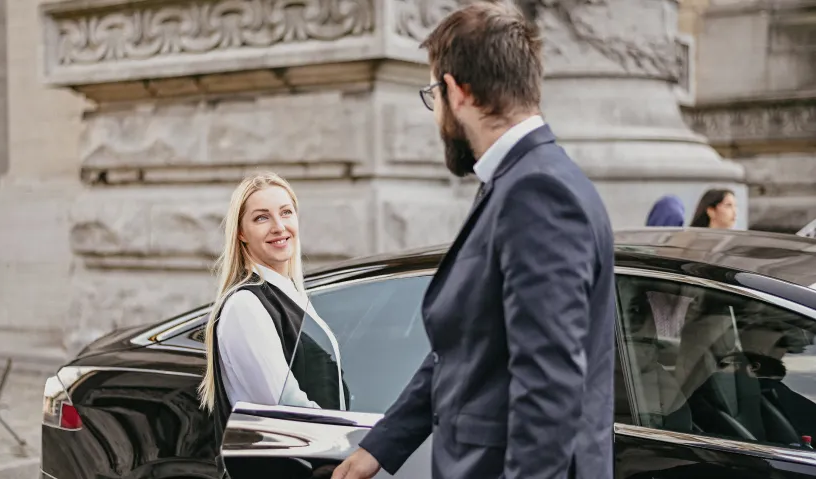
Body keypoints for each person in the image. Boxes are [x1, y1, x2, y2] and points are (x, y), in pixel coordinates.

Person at [332, 2, 616, 479]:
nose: (436, 112)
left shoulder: (536, 192)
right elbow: (467, 348)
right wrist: (380, 448)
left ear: (455, 91)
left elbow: (549, 389)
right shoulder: (519, 180)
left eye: (433, 95)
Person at [197, 172, 345, 478]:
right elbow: (286, 406)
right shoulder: (245, 305)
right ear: (241, 232)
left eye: (286, 212)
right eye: (262, 218)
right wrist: (352, 446)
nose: (279, 227)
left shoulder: (292, 295)